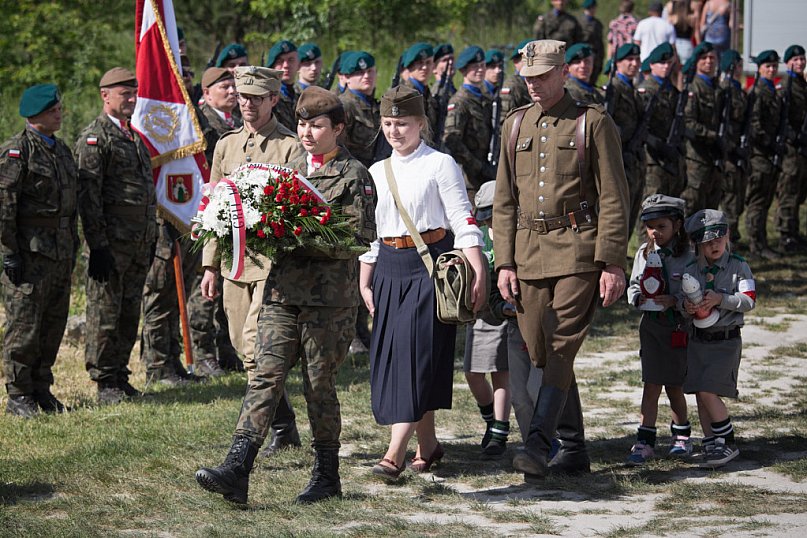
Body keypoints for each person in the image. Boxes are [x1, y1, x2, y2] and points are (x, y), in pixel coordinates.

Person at [196, 86, 376, 504]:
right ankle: (237, 469)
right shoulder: (290, 165)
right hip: (280, 294)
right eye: (302, 124)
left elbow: (357, 239)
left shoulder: (355, 175)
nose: (307, 133)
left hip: (327, 302)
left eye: (317, 125)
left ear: (339, 128)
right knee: (263, 375)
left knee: (318, 386)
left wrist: (298, 235)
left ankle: (327, 476)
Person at [493, 40, 629, 482]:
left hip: (578, 247)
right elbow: (505, 200)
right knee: (539, 351)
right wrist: (505, 263)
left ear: (564, 73)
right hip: (529, 251)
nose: (534, 85)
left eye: (543, 76)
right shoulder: (514, 125)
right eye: (528, 78)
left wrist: (611, 261)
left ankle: (537, 443)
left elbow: (613, 195)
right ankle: (573, 448)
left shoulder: (593, 122)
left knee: (561, 343)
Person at [359, 86, 487, 480]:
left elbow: (462, 218)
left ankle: (393, 454)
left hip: (430, 268)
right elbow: (372, 232)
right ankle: (428, 445)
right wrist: (365, 279)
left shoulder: (440, 164)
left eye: (403, 123)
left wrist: (478, 267)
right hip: (388, 269)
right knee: (402, 360)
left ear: (421, 124)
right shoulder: (377, 171)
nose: (395, 131)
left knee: (416, 359)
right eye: (388, 124)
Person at [199, 66, 305, 453]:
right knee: (239, 342)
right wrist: (210, 265)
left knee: (254, 350)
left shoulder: (290, 147)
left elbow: (296, 212)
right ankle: (285, 424)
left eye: (257, 99)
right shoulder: (225, 145)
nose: (247, 105)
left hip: (271, 262)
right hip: (233, 261)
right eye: (243, 98)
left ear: (274, 100)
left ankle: (260, 434)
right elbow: (213, 209)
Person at [75, 68, 157, 404]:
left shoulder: (133, 136)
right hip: (111, 244)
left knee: (128, 311)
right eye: (125, 94)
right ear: (105, 95)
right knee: (104, 312)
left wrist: (150, 238)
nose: (133, 99)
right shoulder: (95, 138)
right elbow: (88, 198)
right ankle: (104, 379)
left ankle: (120, 373)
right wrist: (98, 246)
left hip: (137, 243)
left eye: (134, 93)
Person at [0, 84, 78, 417]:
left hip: (59, 253)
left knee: (52, 323)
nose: (59, 113)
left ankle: (41, 388)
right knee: (24, 325)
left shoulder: (60, 150)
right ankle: (18, 394)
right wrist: (9, 252)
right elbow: (4, 208)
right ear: (37, 114)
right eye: (54, 109)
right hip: (29, 255)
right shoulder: (16, 151)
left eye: (59, 108)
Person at [681, 209, 755, 468]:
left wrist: (722, 299)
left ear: (727, 236)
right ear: (697, 244)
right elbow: (683, 302)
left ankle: (727, 442)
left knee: (709, 390)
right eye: (707, 241)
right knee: (700, 394)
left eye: (718, 239)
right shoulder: (691, 269)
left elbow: (748, 301)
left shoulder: (738, 265)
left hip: (726, 340)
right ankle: (711, 442)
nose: (714, 245)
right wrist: (687, 308)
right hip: (699, 339)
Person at [625, 195, 694, 465]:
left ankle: (681, 437)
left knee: (675, 386)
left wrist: (675, 300)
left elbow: (694, 292)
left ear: (677, 225)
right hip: (651, 328)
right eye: (650, 226)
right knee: (651, 385)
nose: (655, 232)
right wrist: (638, 298)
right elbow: (633, 285)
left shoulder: (688, 256)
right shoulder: (644, 253)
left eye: (662, 225)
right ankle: (645, 441)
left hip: (677, 327)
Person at [198, 67, 245, 371]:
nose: (231, 92)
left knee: (231, 286)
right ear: (206, 94)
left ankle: (229, 351)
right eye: (224, 87)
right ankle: (203, 355)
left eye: (233, 87)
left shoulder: (239, 123)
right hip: (208, 210)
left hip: (238, 214)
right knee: (204, 291)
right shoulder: (202, 124)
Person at [464, 181, 511, 457]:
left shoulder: (515, 236)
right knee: (472, 373)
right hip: (480, 313)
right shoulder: (479, 235)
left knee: (501, 374)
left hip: (505, 312)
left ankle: (500, 432)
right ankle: (490, 420)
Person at [443, 46, 496, 200]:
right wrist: (476, 165)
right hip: (468, 178)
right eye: (475, 67)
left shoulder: (485, 99)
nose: (480, 70)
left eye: (482, 65)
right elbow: (452, 140)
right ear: (464, 70)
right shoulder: (460, 102)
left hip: (487, 170)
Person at [745, 50, 781, 260]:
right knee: (757, 200)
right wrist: (768, 141)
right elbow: (755, 123)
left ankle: (762, 240)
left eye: (774, 66)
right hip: (759, 154)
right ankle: (755, 243)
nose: (771, 69)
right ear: (759, 68)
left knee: (766, 199)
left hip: (769, 154)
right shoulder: (758, 91)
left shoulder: (771, 90)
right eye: (767, 66)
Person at [638, 43, 685, 200]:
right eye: (661, 63)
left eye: (668, 63)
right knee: (652, 205)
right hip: (653, 159)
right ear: (652, 65)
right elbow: (640, 126)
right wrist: (658, 144)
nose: (665, 67)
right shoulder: (647, 90)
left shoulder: (672, 91)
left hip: (672, 158)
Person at [609, 43, 646, 234]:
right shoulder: (614, 89)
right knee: (618, 214)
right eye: (629, 60)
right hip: (619, 158)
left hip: (633, 160)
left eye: (637, 60)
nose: (634, 64)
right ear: (618, 63)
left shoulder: (632, 89)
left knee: (631, 214)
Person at [680, 42, 721, 215]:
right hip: (696, 158)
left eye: (712, 58)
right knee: (692, 206)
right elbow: (688, 122)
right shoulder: (693, 87)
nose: (709, 61)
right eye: (704, 58)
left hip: (714, 156)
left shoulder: (717, 88)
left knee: (711, 208)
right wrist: (713, 135)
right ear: (696, 61)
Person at [775, 45, 807, 252]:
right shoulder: (786, 85)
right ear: (788, 63)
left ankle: (793, 232)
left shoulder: (801, 84)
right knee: (788, 190)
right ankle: (785, 235)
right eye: (795, 60)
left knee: (798, 191)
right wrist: (791, 135)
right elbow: (780, 117)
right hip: (791, 147)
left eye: (802, 59)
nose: (800, 63)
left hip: (802, 146)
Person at [716, 50, 747, 243]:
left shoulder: (737, 89)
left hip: (737, 149)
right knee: (729, 198)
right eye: (738, 65)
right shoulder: (725, 89)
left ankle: (732, 236)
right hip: (728, 151)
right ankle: (726, 240)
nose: (741, 68)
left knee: (737, 196)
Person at [338, 51, 380, 170]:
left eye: (370, 71)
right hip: (352, 173)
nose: (366, 76)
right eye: (360, 73)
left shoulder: (375, 105)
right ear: (346, 77)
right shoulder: (344, 106)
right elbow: (337, 149)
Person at [400, 42, 440, 140]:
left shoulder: (426, 92)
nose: (425, 67)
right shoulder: (405, 95)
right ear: (410, 66)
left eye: (428, 62)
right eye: (420, 63)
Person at [266, 40, 300, 132]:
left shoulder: (300, 96)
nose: (286, 65)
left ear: (298, 64)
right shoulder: (265, 98)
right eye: (280, 61)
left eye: (291, 60)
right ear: (272, 66)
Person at [500, 39, 533, 121]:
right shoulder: (512, 85)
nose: (531, 63)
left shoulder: (539, 81)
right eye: (526, 59)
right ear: (516, 62)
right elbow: (505, 120)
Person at [578, 0, 604, 86]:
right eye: (591, 8)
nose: (593, 10)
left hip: (596, 57)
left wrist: (601, 57)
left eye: (594, 8)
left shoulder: (598, 24)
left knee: (593, 81)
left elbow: (600, 42)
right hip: (583, 56)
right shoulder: (579, 23)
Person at [667, 0, 696, 66]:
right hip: (687, 44)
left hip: (676, 44)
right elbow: (693, 34)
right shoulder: (692, 18)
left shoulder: (672, 18)